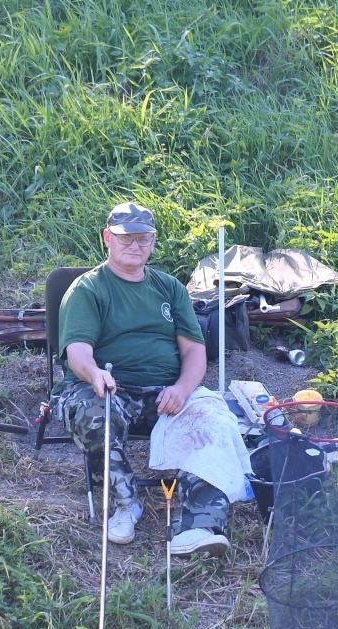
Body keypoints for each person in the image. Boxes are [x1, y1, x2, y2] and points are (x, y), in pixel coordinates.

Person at [57, 202, 233, 556]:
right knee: (95, 413)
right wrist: (94, 374)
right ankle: (126, 505)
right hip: (107, 385)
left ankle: (199, 526)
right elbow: (78, 350)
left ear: (152, 241)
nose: (135, 246)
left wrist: (183, 390)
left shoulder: (169, 288)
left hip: (166, 390)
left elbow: (194, 351)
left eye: (144, 238)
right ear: (107, 238)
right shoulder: (88, 288)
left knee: (214, 420)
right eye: (126, 239)